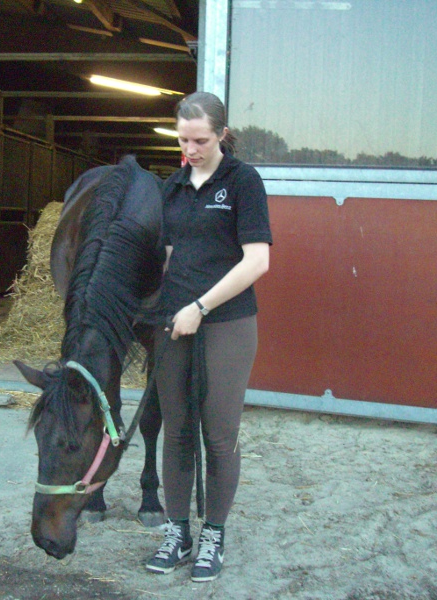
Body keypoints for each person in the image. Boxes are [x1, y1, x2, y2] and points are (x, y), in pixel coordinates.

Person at [145, 91, 272, 582]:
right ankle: (177, 532)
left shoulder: (242, 182)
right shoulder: (172, 187)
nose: (191, 150)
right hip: (173, 322)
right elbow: (168, 256)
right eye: (183, 140)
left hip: (227, 322)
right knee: (176, 429)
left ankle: (213, 534)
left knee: (219, 433)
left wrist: (201, 307)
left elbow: (257, 261)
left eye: (200, 140)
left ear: (222, 134)